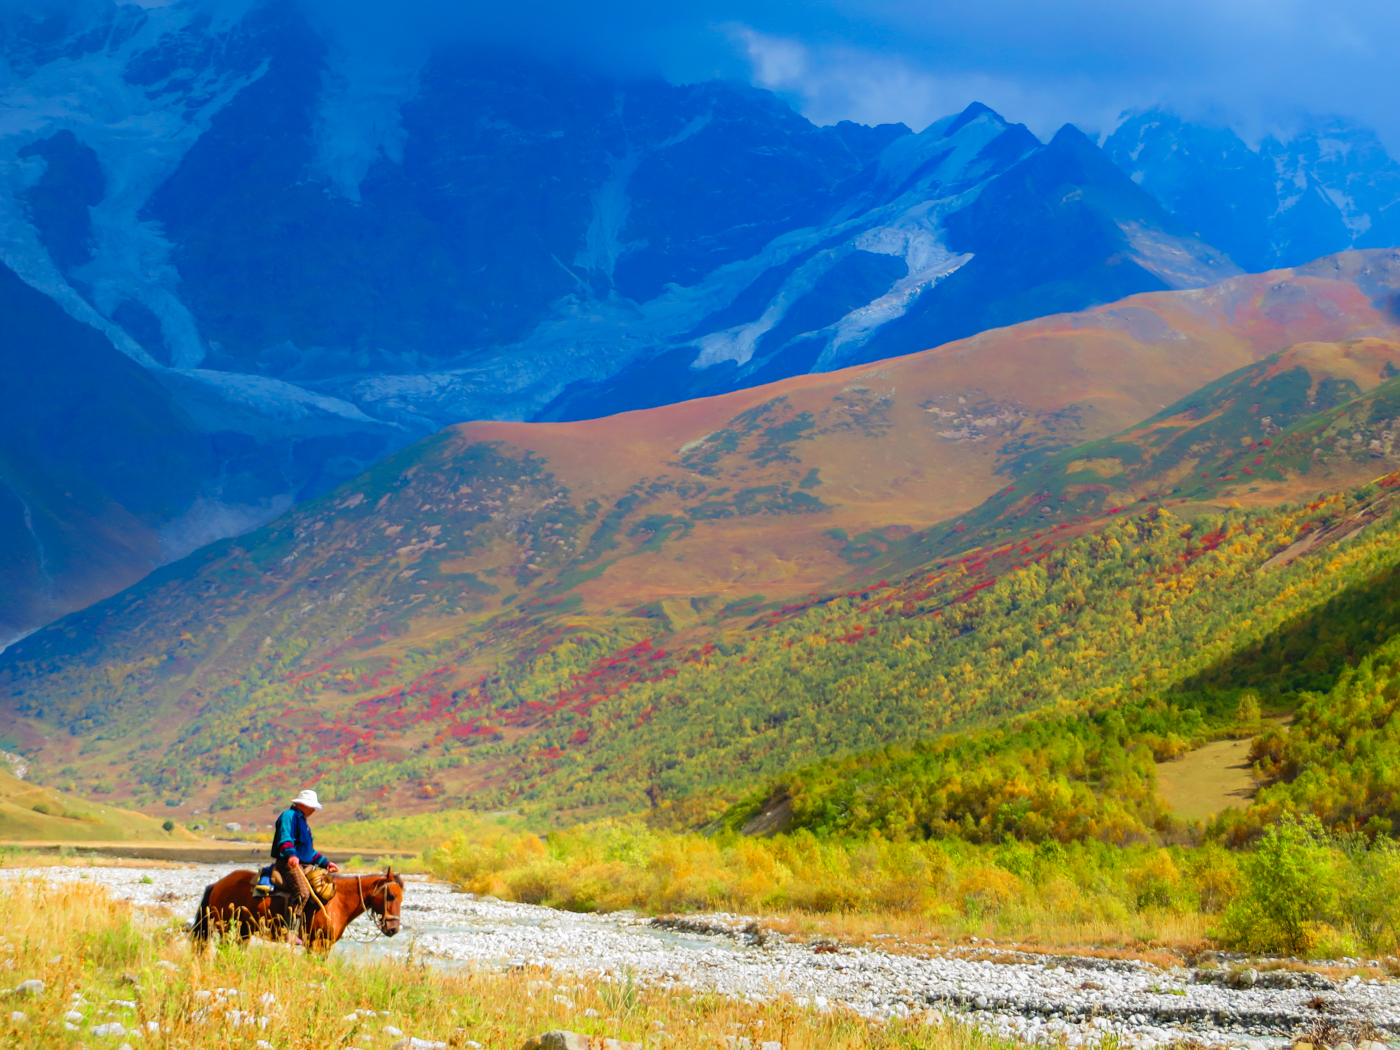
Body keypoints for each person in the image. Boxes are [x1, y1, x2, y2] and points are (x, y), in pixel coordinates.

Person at [254, 790, 339, 921]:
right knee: (302, 893)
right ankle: (290, 930)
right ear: (304, 804)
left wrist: (326, 863)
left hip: (304, 866)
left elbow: (308, 852)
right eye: (312, 807)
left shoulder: (303, 822)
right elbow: (285, 838)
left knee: (321, 890)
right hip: (288, 864)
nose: (314, 810)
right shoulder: (289, 816)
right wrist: (291, 855)